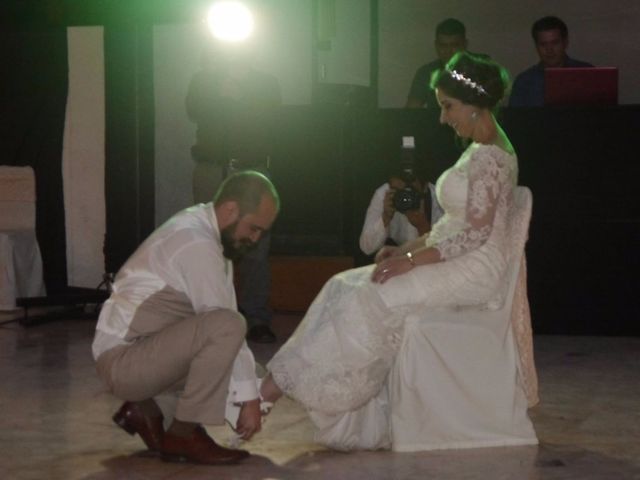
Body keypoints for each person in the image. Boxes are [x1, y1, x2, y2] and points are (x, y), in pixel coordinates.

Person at [259, 52, 535, 450]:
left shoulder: (490, 156)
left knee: (373, 294)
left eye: (447, 106)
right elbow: (450, 226)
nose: (442, 117)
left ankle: (282, 391)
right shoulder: (479, 149)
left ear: (475, 106)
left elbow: (473, 236)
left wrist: (410, 261)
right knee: (344, 284)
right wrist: (405, 248)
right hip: (457, 255)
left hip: (475, 268)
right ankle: (288, 384)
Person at [92, 171, 279, 464]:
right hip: (124, 362)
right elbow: (226, 323)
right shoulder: (196, 242)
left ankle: (147, 410)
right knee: (228, 328)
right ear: (231, 209)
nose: (255, 239)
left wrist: (250, 389)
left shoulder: (207, 232)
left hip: (139, 355)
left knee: (239, 360)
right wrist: (250, 399)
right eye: (254, 228)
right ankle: (183, 433)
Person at [187, 41, 282, 344]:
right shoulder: (204, 79)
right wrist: (220, 91)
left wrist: (242, 94)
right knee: (208, 241)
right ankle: (211, 315)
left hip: (251, 169)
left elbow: (272, 119)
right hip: (211, 168)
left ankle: (255, 317)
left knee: (255, 244)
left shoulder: (265, 83)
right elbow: (192, 109)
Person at [509, 16, 593, 106]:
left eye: (555, 43)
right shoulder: (524, 82)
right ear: (536, 46)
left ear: (565, 42)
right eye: (543, 44)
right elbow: (515, 118)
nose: (549, 50)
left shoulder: (586, 75)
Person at [406, 18, 484, 109]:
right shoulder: (426, 73)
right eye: (443, 45)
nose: (448, 51)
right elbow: (411, 111)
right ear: (436, 46)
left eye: (454, 45)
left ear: (464, 45)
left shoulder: (481, 69)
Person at [359, 173, 442, 256]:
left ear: (425, 187)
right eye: (398, 191)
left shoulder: (439, 199)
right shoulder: (384, 194)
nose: (405, 197)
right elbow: (367, 248)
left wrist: (423, 227)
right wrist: (385, 218)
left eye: (410, 191)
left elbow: (444, 251)